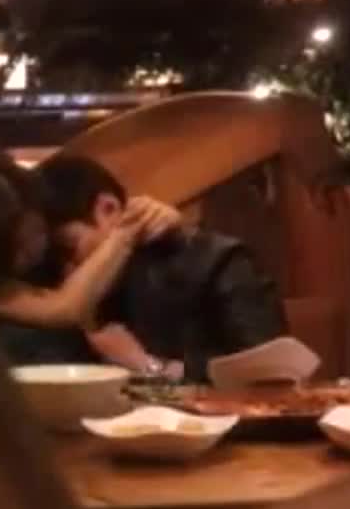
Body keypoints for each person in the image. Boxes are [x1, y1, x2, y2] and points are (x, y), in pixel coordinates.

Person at [37, 154, 287, 382]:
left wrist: (147, 365)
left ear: (108, 208)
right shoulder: (61, 292)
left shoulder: (218, 260)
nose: (68, 272)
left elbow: (272, 374)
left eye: (69, 247)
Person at [0, 152, 180, 368]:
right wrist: (127, 229)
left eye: (37, 233)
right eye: (16, 247)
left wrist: (158, 218)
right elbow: (64, 308)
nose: (33, 251)